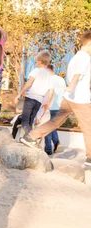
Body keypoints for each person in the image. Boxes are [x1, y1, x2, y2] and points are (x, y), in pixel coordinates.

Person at [21, 31, 91, 167]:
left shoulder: (76, 57)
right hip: (80, 98)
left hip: (69, 98)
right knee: (88, 127)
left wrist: (70, 88)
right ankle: (90, 157)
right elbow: (77, 74)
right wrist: (72, 86)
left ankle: (31, 136)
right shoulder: (86, 58)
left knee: (55, 122)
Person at [16, 51, 54, 138]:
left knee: (25, 120)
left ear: (39, 61)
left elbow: (29, 83)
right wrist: (47, 102)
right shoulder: (49, 75)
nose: (36, 63)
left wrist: (19, 94)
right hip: (39, 100)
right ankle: (28, 138)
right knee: (31, 121)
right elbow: (51, 91)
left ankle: (31, 137)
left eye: (36, 61)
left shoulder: (36, 71)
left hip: (30, 98)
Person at [43, 65, 66, 155]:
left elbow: (47, 93)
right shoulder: (61, 80)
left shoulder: (49, 80)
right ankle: (56, 142)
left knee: (47, 127)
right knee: (52, 126)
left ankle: (48, 149)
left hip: (50, 106)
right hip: (59, 107)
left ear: (48, 70)